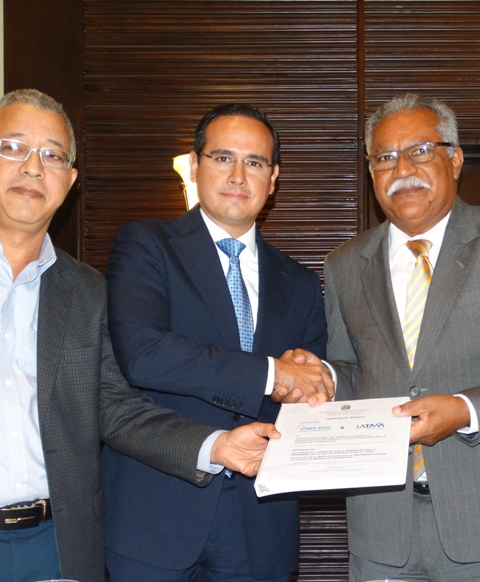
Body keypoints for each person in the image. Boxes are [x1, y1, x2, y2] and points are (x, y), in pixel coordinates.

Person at [0, 89, 278, 582]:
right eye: (13, 147)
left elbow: (117, 409)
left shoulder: (87, 289)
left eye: (53, 156)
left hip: (57, 547)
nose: (32, 167)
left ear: (69, 180)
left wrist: (216, 446)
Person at [321, 93, 480, 581]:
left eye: (420, 151)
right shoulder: (344, 263)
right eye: (385, 158)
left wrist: (464, 410)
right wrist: (321, 381)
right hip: (382, 532)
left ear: (454, 160)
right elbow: (351, 372)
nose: (402, 170)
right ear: (371, 172)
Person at [101, 103, 331, 582]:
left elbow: (310, 393)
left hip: (261, 526)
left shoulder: (301, 283)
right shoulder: (146, 246)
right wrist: (274, 373)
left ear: (273, 179)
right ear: (195, 164)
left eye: (255, 162)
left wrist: (316, 382)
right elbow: (145, 354)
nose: (238, 176)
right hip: (155, 518)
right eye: (223, 157)